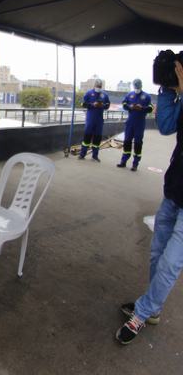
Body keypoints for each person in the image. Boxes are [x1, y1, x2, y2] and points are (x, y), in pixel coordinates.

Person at [116, 61, 183, 344]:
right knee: (157, 254)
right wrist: (168, 90)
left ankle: (141, 314)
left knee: (170, 264)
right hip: (175, 191)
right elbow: (166, 126)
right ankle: (152, 309)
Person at [116, 79, 153, 171]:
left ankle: (135, 164)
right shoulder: (129, 95)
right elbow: (124, 104)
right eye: (135, 87)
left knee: (138, 143)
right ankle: (123, 161)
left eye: (138, 87)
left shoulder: (147, 96)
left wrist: (142, 108)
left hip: (140, 123)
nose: (137, 88)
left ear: (141, 86)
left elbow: (151, 108)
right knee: (127, 141)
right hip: (130, 122)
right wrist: (130, 106)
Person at [77, 79, 110, 161]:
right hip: (90, 120)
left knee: (97, 138)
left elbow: (108, 105)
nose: (98, 87)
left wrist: (102, 105)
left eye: (100, 86)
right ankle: (82, 155)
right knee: (87, 138)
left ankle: (95, 156)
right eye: (97, 86)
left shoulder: (104, 95)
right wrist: (92, 105)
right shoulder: (89, 93)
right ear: (94, 85)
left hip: (99, 120)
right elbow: (83, 104)